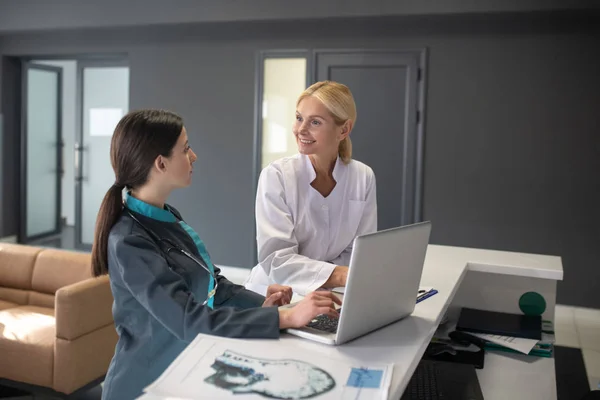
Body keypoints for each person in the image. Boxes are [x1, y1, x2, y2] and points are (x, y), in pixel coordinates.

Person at [92, 109, 341, 400]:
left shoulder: (165, 216)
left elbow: (214, 285)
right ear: (160, 163)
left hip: (185, 371)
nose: (193, 155)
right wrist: (284, 319)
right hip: (145, 385)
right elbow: (189, 320)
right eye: (185, 149)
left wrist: (264, 304)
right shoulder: (129, 241)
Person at [244, 81, 377, 296]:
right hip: (277, 293)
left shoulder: (363, 177)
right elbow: (277, 259)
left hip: (333, 292)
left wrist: (336, 278)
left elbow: (361, 252)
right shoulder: (276, 176)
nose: (300, 130)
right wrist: (339, 275)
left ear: (344, 129)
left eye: (315, 122)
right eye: (298, 118)